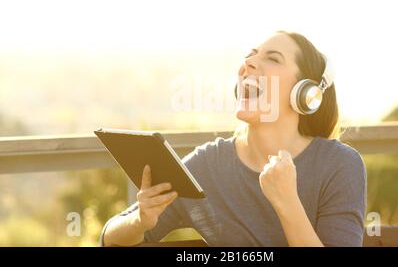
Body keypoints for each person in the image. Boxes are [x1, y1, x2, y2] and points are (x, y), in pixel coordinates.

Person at [101, 31, 367, 247]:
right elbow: (109, 239)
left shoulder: (340, 165)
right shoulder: (208, 165)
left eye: (273, 59)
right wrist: (140, 220)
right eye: (250, 56)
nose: (248, 64)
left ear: (306, 93)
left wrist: (287, 202)